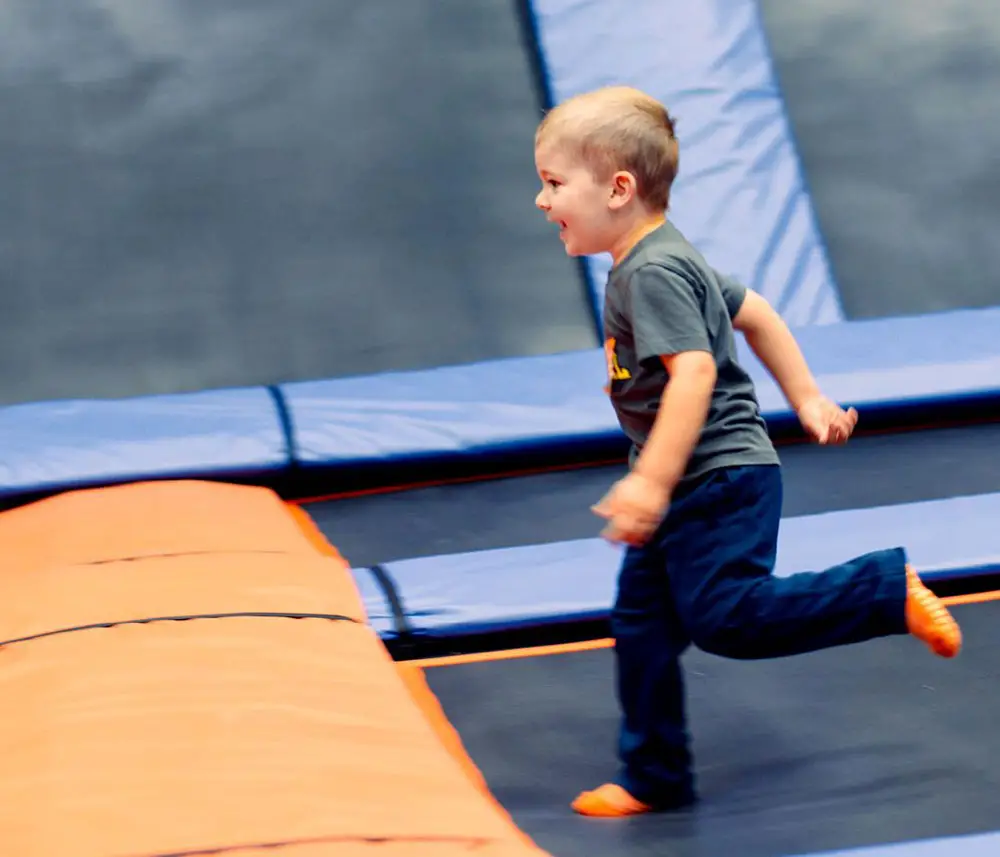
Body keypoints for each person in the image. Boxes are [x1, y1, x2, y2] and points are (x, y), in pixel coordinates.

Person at [532, 85, 963, 819]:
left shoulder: (652, 271)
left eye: (552, 183)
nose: (542, 202)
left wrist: (651, 484)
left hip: (713, 479)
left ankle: (881, 588)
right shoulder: (664, 255)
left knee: (728, 618)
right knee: (641, 626)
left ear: (618, 188)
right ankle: (655, 774)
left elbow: (695, 373)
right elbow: (755, 310)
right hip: (690, 479)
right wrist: (808, 398)